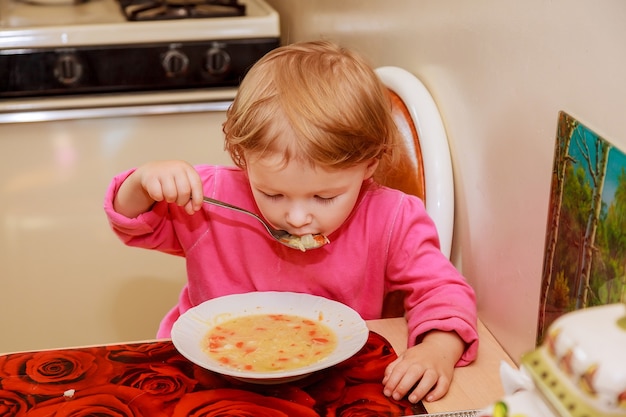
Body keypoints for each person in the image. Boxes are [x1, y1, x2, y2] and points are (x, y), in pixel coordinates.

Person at [104, 40, 478, 404]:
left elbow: (443, 293)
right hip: (203, 376)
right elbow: (133, 222)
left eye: (324, 197)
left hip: (332, 380)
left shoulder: (392, 218)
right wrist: (143, 183)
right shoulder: (212, 198)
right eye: (273, 194)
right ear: (243, 158)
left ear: (369, 164)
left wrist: (437, 351)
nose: (297, 218)